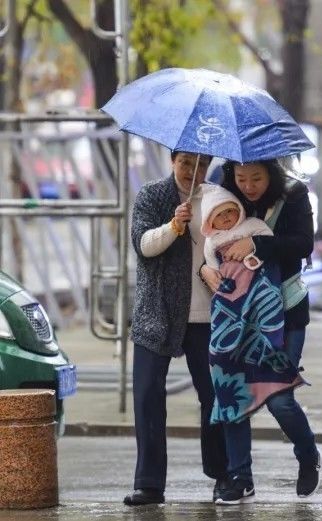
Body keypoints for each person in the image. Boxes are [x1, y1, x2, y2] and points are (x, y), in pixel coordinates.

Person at [201, 158, 320, 504]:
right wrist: (204, 272)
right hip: (235, 316)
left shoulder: (293, 194)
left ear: (271, 173)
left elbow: (303, 244)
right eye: (242, 178)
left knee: (280, 398)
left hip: (284, 310)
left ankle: (308, 453)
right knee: (233, 393)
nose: (249, 185)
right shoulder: (224, 200)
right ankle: (241, 476)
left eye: (256, 178)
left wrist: (257, 245)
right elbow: (207, 246)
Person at [124, 151, 228, 506]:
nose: (192, 171)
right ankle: (149, 483)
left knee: (214, 397)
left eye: (201, 163)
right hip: (158, 313)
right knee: (148, 396)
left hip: (208, 317)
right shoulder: (153, 195)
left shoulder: (217, 198)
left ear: (210, 164)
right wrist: (174, 226)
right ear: (172, 161)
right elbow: (143, 246)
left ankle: (222, 475)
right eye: (185, 162)